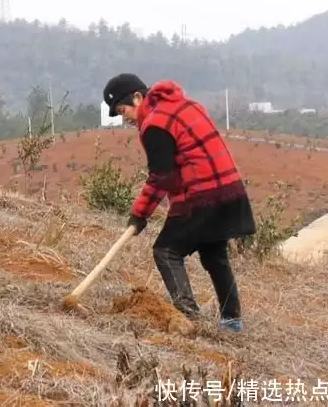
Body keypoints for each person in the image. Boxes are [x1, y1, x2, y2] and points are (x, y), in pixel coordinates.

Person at [102, 73, 256, 333]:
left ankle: (188, 316)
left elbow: (161, 179)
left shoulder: (154, 125)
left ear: (138, 98)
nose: (125, 118)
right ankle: (232, 322)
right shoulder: (186, 105)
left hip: (202, 195)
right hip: (228, 190)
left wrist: (139, 215)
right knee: (214, 254)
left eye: (122, 109)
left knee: (166, 251)